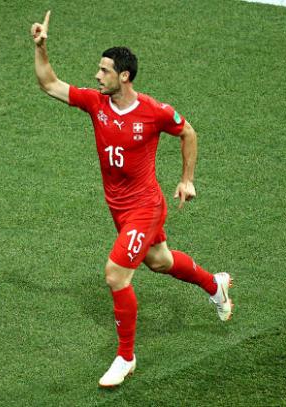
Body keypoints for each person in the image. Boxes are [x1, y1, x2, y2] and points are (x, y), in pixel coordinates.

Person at [31, 11, 233, 388]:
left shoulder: (153, 112)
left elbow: (188, 132)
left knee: (115, 274)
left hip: (146, 206)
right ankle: (214, 285)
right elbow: (50, 84)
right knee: (160, 261)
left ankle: (126, 356)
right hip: (119, 209)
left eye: (104, 71)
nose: (97, 76)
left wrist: (186, 180)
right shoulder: (96, 104)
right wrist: (41, 47)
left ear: (124, 76)